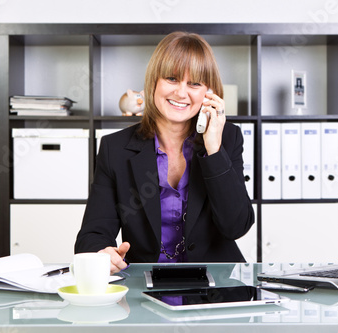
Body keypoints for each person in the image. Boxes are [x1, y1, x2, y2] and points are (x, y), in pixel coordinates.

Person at [75, 31, 254, 274]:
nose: (181, 93)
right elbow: (92, 235)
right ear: (154, 83)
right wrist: (102, 252)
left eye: (194, 84)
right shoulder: (114, 148)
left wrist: (213, 149)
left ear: (208, 94)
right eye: (172, 79)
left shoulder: (227, 138)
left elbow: (236, 227)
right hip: (145, 285)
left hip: (214, 288)